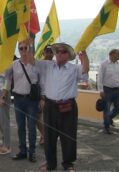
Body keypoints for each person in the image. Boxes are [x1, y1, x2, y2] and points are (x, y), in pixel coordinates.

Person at [37, 42, 89, 171]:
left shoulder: (73, 68)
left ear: (68, 55)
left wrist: (84, 55)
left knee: (69, 136)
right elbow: (31, 61)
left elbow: (85, 70)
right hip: (50, 106)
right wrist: (27, 45)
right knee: (49, 137)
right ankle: (50, 163)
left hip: (68, 106)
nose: (59, 54)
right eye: (58, 51)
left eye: (63, 52)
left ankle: (68, 163)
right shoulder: (47, 66)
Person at [5, 41, 39, 162]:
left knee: (31, 127)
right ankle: (22, 151)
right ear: (18, 51)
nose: (23, 51)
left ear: (30, 49)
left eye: (26, 48)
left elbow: (43, 80)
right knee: (20, 127)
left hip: (31, 100)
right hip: (18, 99)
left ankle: (32, 151)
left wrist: (43, 98)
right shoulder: (14, 64)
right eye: (21, 49)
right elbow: (6, 77)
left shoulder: (36, 63)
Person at [97, 49, 119, 134]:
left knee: (118, 107)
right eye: (118, 54)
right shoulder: (104, 64)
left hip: (117, 90)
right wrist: (100, 90)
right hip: (107, 90)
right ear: (112, 54)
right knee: (106, 109)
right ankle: (106, 127)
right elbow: (100, 77)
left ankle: (109, 118)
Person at [37, 45, 54, 145]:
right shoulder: (39, 63)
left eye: (51, 51)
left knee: (49, 118)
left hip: (53, 96)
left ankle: (46, 136)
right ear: (43, 53)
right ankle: (44, 135)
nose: (49, 54)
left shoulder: (57, 64)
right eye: (47, 51)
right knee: (37, 117)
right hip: (41, 95)